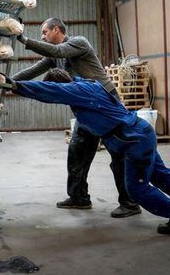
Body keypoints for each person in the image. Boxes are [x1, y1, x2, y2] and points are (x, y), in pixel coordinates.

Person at [9, 68, 170, 235]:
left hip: (134, 141)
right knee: (161, 176)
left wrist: (17, 85)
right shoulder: (84, 85)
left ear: (64, 86)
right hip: (138, 135)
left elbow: (51, 91)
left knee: (136, 190)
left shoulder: (79, 91)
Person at [12, 18, 140, 218]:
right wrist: (7, 82)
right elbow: (33, 71)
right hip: (85, 108)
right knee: (77, 151)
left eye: (45, 32)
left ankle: (130, 203)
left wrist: (24, 40)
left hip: (105, 104)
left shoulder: (78, 42)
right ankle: (79, 197)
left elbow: (57, 51)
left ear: (57, 29)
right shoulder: (55, 57)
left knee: (118, 155)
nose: (43, 36)